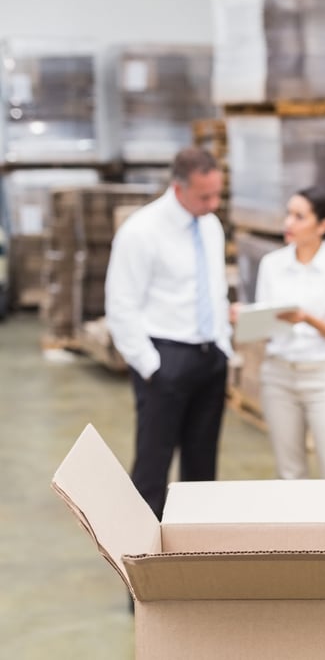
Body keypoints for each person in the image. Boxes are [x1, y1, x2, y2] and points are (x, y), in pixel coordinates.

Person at [105, 147, 231, 520]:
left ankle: (195, 541)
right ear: (179, 189)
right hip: (165, 358)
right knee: (153, 464)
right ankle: (140, 547)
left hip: (210, 357)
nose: (213, 204)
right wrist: (150, 366)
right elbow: (121, 304)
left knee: (202, 464)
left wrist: (223, 344)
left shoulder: (210, 225)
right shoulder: (141, 232)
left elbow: (215, 288)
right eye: (204, 196)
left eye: (217, 194)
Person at [250, 187, 325, 479]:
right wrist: (248, 320)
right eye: (288, 214)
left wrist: (307, 318)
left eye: (299, 216)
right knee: (289, 474)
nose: (288, 223)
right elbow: (266, 329)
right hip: (278, 377)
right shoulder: (272, 265)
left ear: (323, 225)